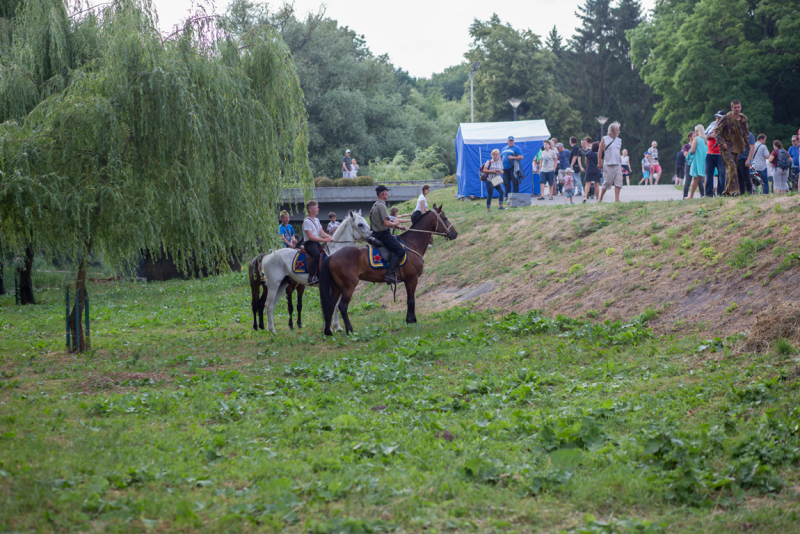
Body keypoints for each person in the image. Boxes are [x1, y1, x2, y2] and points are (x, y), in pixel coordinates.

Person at [369, 185, 406, 284]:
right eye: (387, 192)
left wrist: (398, 227)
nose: (388, 194)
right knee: (400, 251)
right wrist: (395, 223)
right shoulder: (381, 205)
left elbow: (383, 222)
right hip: (383, 235)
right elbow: (386, 224)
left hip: (376, 234)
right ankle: (389, 274)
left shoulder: (375, 205)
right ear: (383, 193)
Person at [713, 100, 750, 196]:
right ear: (731, 108)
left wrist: (746, 144)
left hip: (736, 147)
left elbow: (746, 132)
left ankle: (726, 192)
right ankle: (735, 191)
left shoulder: (743, 119)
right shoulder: (726, 118)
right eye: (735, 107)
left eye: (738, 107)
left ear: (740, 107)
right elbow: (716, 132)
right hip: (725, 147)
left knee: (731, 169)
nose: (737, 109)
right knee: (732, 166)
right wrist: (722, 143)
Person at [303, 201, 333, 285]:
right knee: (316, 254)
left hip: (316, 243)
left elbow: (322, 233)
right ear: (310, 210)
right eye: (316, 208)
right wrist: (325, 240)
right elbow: (311, 237)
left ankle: (321, 274)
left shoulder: (317, 220)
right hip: (309, 243)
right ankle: (310, 277)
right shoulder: (307, 221)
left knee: (325, 253)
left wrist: (331, 238)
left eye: (317, 207)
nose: (318, 209)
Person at [597, 121, 623, 203]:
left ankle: (617, 200)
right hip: (608, 164)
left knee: (618, 182)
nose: (619, 131)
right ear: (612, 131)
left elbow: (618, 151)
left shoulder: (619, 140)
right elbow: (600, 151)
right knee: (607, 183)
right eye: (617, 130)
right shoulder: (605, 139)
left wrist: (620, 162)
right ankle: (600, 198)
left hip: (617, 164)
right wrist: (599, 162)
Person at [705, 111, 726, 197]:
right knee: (708, 174)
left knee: (721, 174)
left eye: (719, 117)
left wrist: (715, 136)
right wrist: (710, 136)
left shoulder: (726, 126)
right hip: (710, 153)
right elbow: (706, 135)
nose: (717, 119)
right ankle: (708, 193)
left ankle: (720, 193)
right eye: (717, 117)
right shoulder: (712, 125)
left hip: (719, 154)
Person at [687, 124, 708, 199]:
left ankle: (691, 196)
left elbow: (692, 150)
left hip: (698, 160)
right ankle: (709, 193)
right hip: (706, 160)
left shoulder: (696, 139)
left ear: (697, 131)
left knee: (695, 179)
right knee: (706, 178)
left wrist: (689, 154)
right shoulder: (706, 139)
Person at [501, 136, 523, 201]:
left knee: (515, 182)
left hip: (513, 167)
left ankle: (515, 196)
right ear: (507, 141)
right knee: (506, 182)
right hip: (505, 168)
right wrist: (500, 164)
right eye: (509, 141)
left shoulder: (516, 148)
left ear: (513, 141)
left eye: (512, 141)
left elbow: (521, 157)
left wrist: (513, 157)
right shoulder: (504, 148)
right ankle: (507, 196)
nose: (510, 142)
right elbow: (501, 157)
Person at [736, 131, 755, 195]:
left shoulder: (749, 135)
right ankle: (742, 193)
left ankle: (749, 193)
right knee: (739, 178)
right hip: (737, 158)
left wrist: (748, 160)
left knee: (746, 177)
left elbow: (752, 148)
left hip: (744, 158)